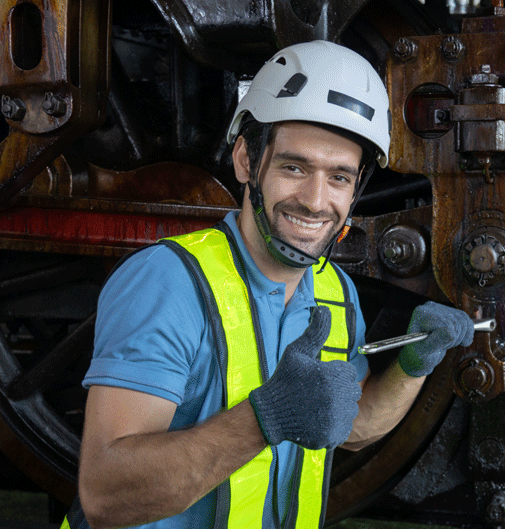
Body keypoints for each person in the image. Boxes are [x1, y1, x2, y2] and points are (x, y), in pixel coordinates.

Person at [69, 41, 475, 529]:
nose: (315, 200)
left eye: (340, 178)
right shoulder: (168, 282)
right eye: (294, 167)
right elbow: (107, 495)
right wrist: (266, 418)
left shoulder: (333, 291)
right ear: (245, 159)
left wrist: (414, 363)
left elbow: (353, 425)